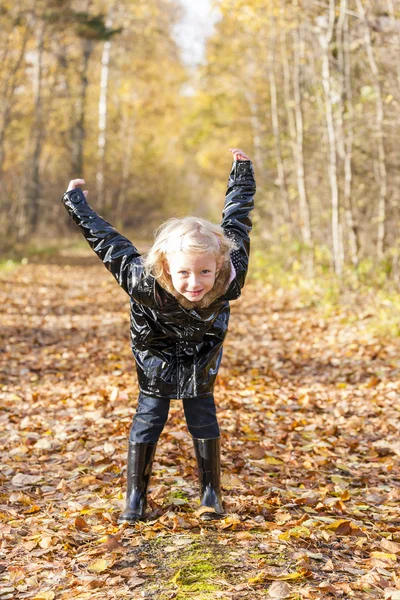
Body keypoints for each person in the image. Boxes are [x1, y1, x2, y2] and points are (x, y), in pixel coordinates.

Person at [61, 148, 256, 523]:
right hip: (156, 350)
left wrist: (242, 172)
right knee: (151, 413)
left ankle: (211, 495)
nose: (194, 283)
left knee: (202, 411)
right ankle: (134, 500)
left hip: (202, 348)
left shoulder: (232, 270)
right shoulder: (142, 280)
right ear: (166, 265)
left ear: (218, 264)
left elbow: (238, 217)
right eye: (184, 273)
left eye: (204, 272)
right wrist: (76, 203)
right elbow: (106, 241)